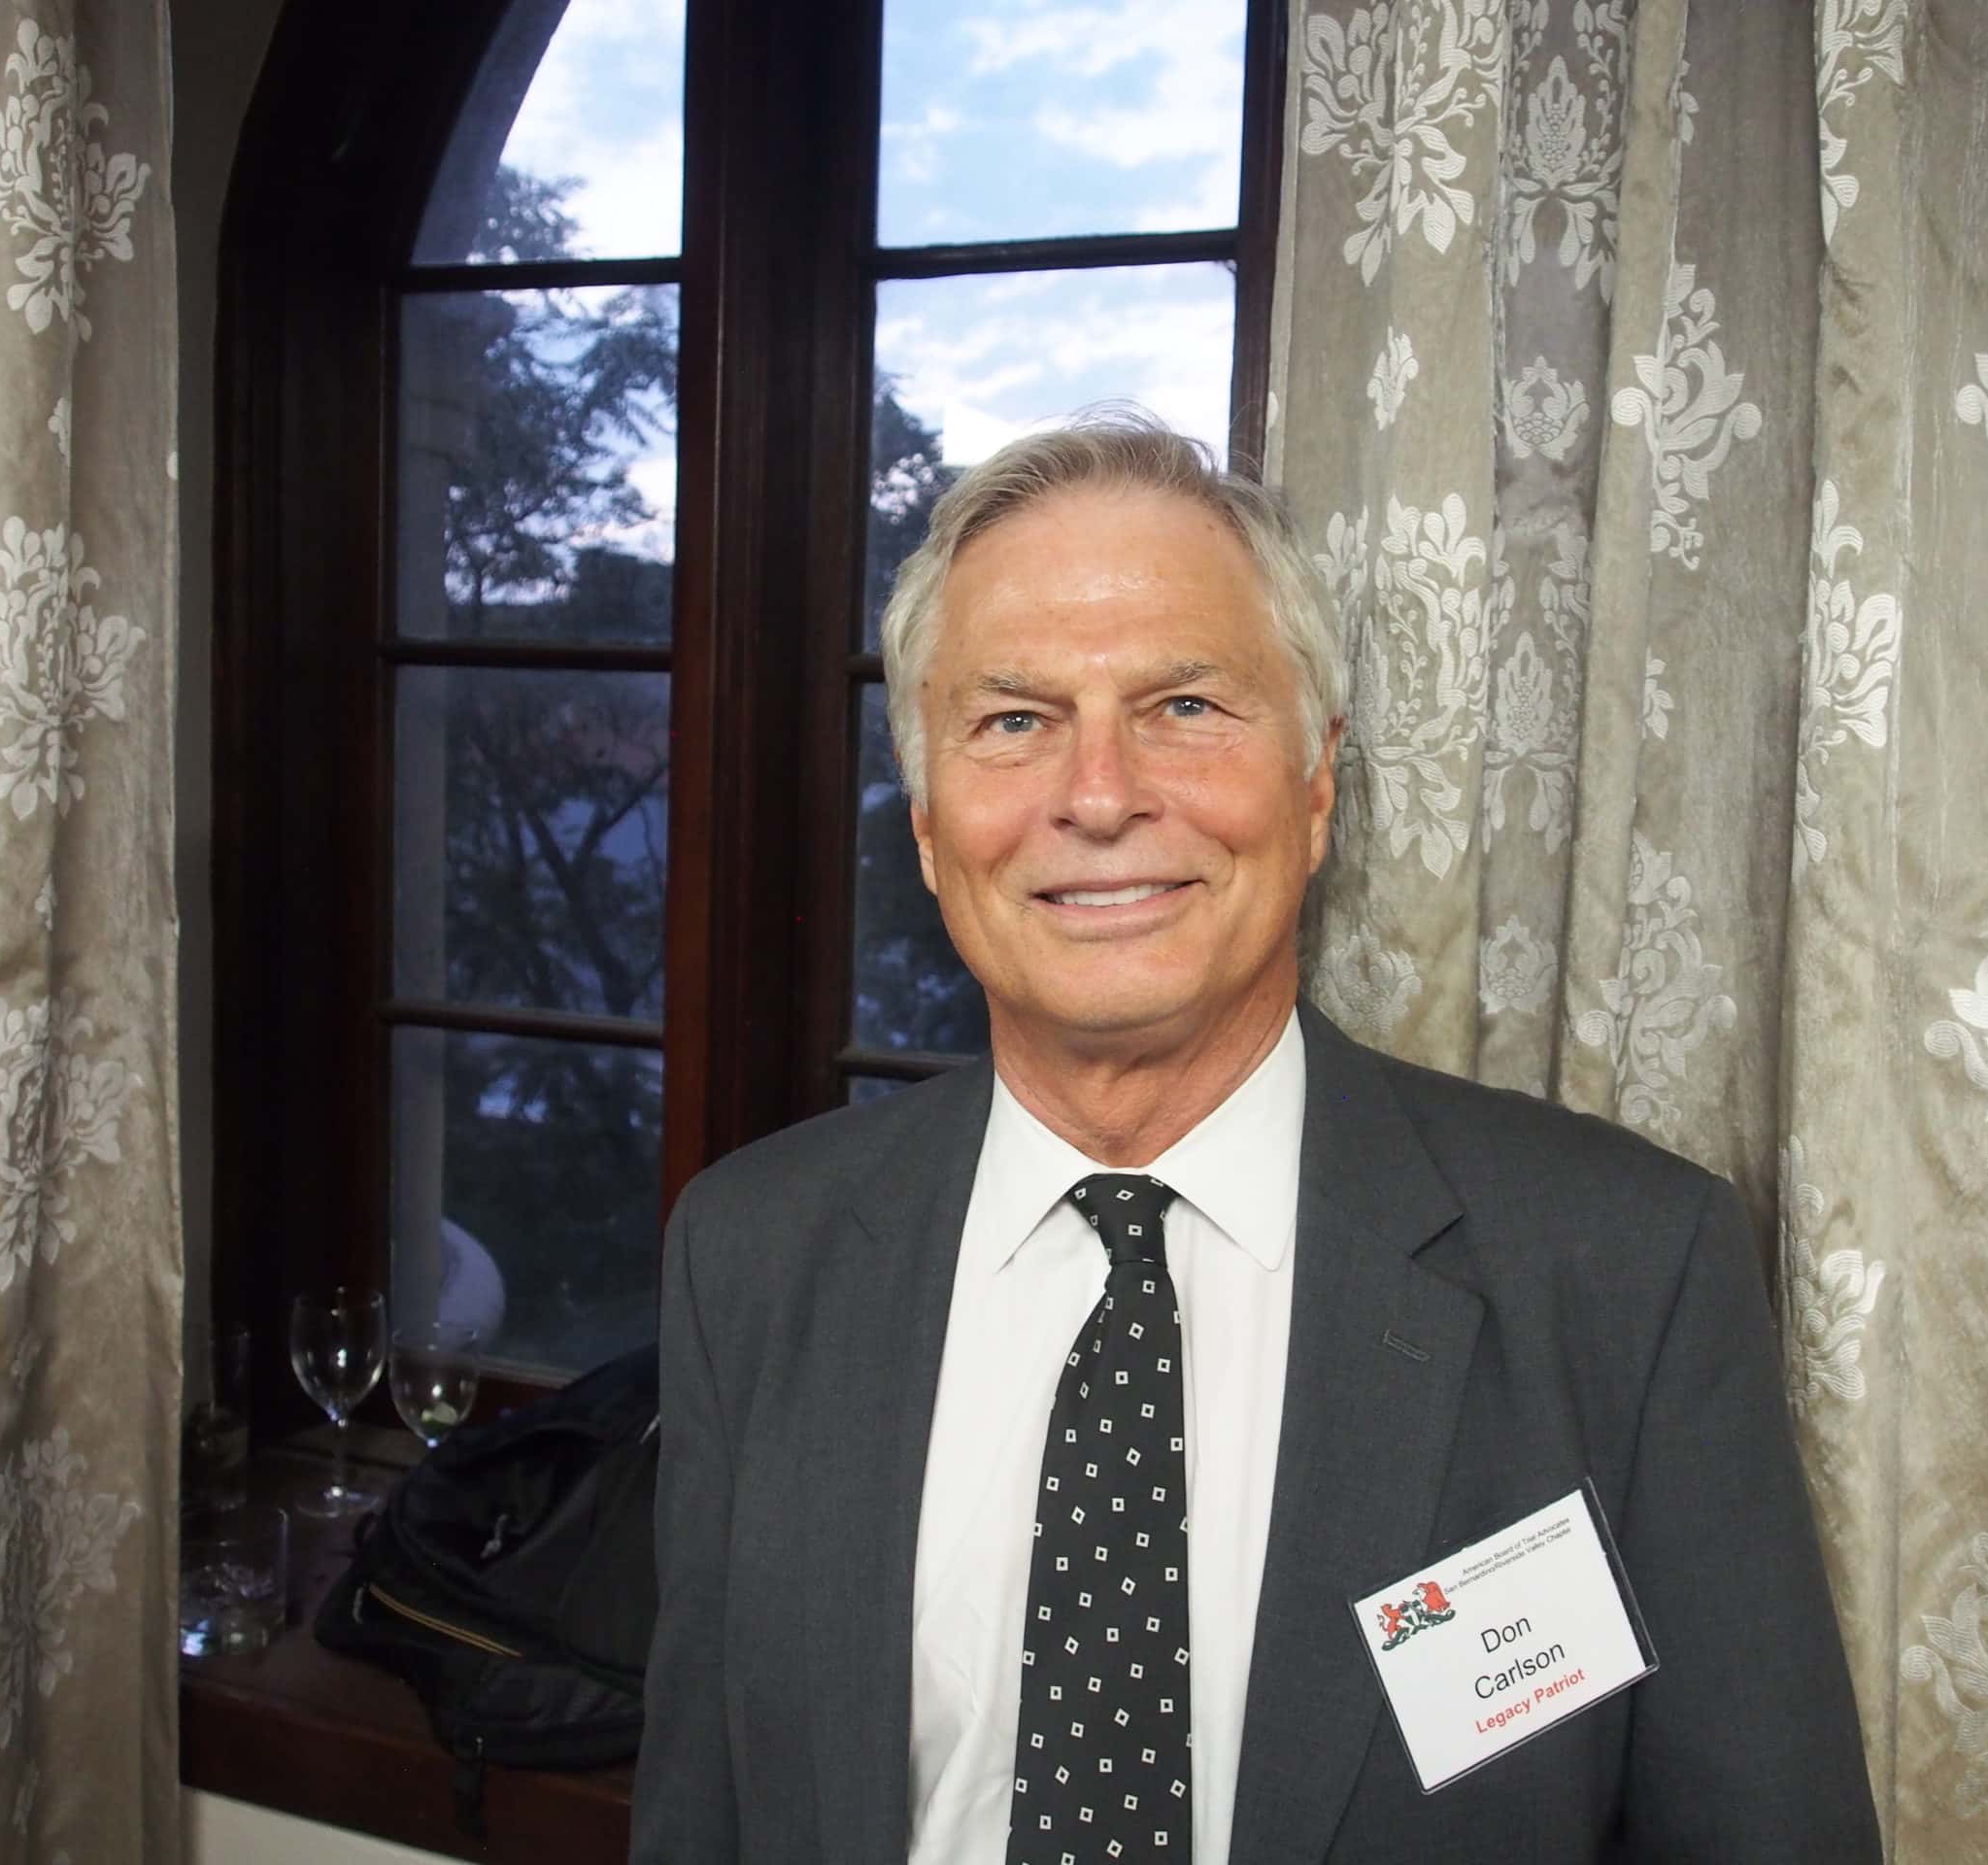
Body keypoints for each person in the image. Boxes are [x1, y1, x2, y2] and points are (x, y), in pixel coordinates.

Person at [630, 413, 1882, 1864]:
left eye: (1186, 708)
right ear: (928, 820)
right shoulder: (752, 1256)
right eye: (1015, 720)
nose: (1099, 797)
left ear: (1317, 786)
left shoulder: (1623, 1273)